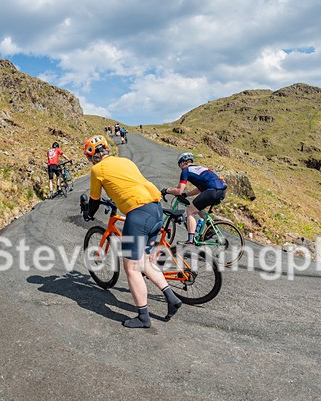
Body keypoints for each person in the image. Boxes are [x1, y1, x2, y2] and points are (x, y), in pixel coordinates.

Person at [81, 135, 182, 328]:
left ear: (92, 155)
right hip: (155, 210)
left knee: (131, 267)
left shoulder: (97, 169)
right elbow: (128, 184)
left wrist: (89, 214)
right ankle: (171, 297)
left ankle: (143, 317)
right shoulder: (125, 161)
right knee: (143, 261)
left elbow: (94, 199)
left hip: (138, 213)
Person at [160, 152, 227, 245]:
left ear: (183, 163)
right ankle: (210, 227)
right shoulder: (199, 168)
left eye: (180, 164)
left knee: (190, 211)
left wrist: (166, 190)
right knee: (197, 207)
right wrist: (187, 194)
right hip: (221, 191)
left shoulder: (186, 171)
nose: (180, 167)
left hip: (213, 190)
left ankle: (190, 240)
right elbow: (200, 189)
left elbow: (179, 190)